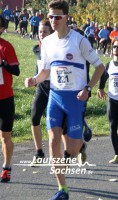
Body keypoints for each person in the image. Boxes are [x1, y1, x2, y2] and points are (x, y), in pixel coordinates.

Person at [24, 1, 105, 199]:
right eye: (51, 17)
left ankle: (77, 149)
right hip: (55, 96)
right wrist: (35, 80)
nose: (53, 20)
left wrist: (88, 88)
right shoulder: (48, 42)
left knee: (72, 149)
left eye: (57, 17)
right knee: (52, 140)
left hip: (76, 98)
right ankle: (62, 190)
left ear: (66, 17)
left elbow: (100, 67)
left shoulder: (79, 40)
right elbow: (45, 71)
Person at [30, 20, 54, 164]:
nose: (42, 34)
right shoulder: (37, 49)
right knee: (34, 117)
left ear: (51, 33)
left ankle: (76, 147)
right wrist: (33, 79)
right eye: (40, 32)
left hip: (56, 88)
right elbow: (38, 68)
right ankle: (39, 152)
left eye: (45, 32)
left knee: (58, 124)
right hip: (42, 87)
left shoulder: (57, 48)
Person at [0, 16, 20, 183]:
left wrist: (4, 64)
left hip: (5, 98)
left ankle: (6, 167)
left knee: (5, 136)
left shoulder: (6, 47)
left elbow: (17, 71)